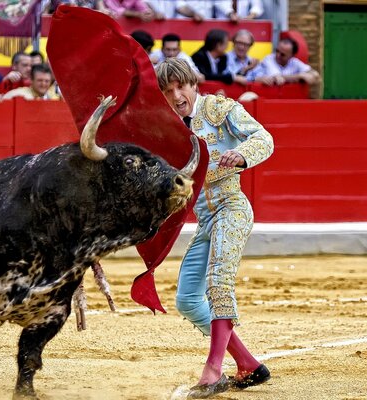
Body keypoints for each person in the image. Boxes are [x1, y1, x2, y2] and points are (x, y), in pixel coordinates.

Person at [155, 57, 273, 398]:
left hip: (232, 209)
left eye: (181, 86)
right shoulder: (170, 129)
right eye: (167, 91)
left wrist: (241, 153)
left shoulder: (218, 110)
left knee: (218, 283)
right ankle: (248, 363)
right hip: (206, 220)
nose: (177, 95)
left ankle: (212, 371)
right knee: (188, 300)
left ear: (194, 83)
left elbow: (263, 137)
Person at [252, 37, 320, 86]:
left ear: (292, 55)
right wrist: (299, 76)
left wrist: (313, 75)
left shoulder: (294, 62)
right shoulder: (269, 59)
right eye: (277, 51)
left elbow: (315, 75)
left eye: (282, 54)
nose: (278, 55)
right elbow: (278, 78)